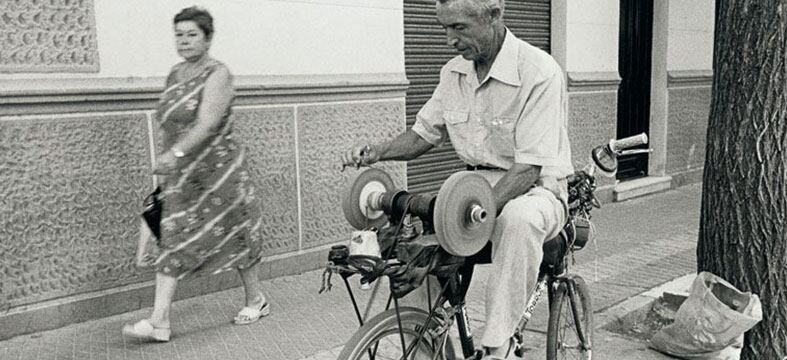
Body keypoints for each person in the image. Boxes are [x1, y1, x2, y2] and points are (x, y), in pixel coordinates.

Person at [341, 0, 573, 358]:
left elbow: (528, 169)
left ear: (495, 15)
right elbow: (422, 135)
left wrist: (470, 214)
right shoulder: (453, 73)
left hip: (537, 191)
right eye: (444, 28)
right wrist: (377, 151)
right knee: (413, 236)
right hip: (473, 191)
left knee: (517, 219)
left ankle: (500, 343)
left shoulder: (539, 71)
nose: (450, 40)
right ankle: (424, 341)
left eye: (460, 28)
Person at [122, 6, 269, 342]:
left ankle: (256, 299)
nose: (184, 41)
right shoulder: (175, 74)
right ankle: (160, 321)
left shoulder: (218, 74)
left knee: (237, 237)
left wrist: (174, 155)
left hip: (221, 176)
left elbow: (207, 122)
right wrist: (166, 171)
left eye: (191, 35)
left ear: (208, 38)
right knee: (173, 239)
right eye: (179, 34)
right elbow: (169, 124)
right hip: (182, 180)